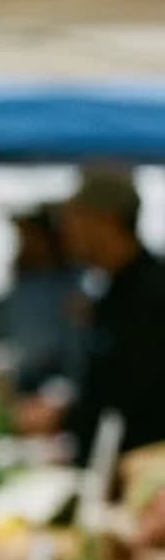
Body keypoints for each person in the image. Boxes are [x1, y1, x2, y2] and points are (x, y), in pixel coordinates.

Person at [58, 166, 165, 462]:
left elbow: (136, 393)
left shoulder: (153, 294)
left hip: (141, 472)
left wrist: (66, 417)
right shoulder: (110, 292)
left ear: (105, 221)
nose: (66, 231)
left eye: (74, 219)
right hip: (110, 464)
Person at [0, 207, 82, 397]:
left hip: (55, 388)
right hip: (20, 383)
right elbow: (5, 331)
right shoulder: (23, 281)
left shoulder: (72, 284)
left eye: (29, 237)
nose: (24, 244)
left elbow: (75, 352)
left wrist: (59, 394)